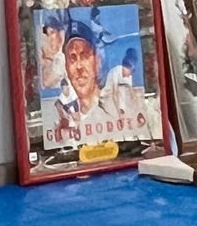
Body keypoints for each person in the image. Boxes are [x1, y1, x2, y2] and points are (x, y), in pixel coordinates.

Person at [48, 18, 151, 147]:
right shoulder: (66, 116)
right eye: (72, 58)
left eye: (84, 55)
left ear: (98, 61)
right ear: (66, 67)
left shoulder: (116, 104)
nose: (79, 66)